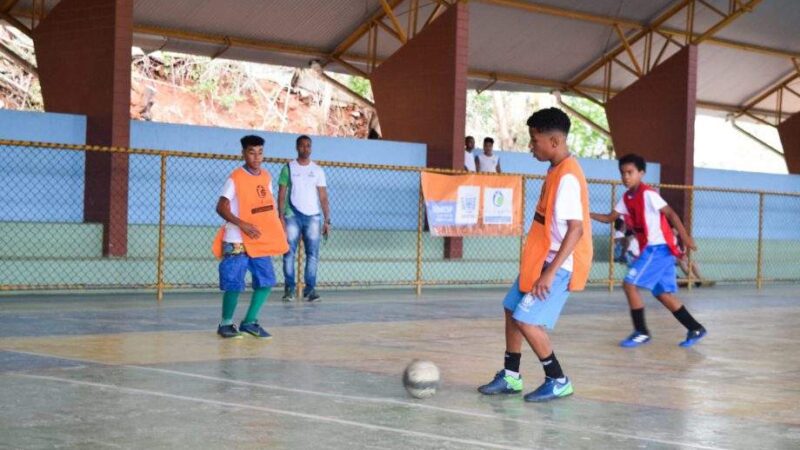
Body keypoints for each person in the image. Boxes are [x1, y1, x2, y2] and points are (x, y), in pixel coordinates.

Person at [478, 108, 593, 402]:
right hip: (540, 258)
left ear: (554, 141)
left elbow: (576, 230)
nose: (530, 146)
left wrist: (551, 272)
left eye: (534, 140)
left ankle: (558, 379)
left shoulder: (567, 176)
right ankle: (511, 376)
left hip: (558, 263)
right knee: (511, 307)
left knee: (526, 319)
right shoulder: (555, 170)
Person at [590, 154, 707, 348]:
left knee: (629, 284)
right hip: (653, 250)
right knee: (663, 294)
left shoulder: (648, 194)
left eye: (630, 172)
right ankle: (695, 327)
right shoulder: (627, 198)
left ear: (641, 173)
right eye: (623, 173)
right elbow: (610, 217)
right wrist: (587, 214)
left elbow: (670, 213)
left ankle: (641, 331)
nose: (626, 177)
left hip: (658, 249)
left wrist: (685, 237)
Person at [211, 135, 288, 339]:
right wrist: (242, 223)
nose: (256, 157)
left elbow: (268, 208)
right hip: (237, 238)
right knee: (234, 282)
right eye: (251, 152)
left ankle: (249, 322)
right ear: (243, 153)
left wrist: (278, 230)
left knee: (266, 281)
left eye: (260, 152)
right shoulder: (235, 177)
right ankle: (226, 323)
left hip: (258, 239)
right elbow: (220, 207)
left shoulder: (267, 177)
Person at [278, 135, 331, 302]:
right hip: (292, 215)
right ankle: (290, 290)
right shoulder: (288, 168)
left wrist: (327, 220)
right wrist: (280, 217)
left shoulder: (317, 170)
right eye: (302, 145)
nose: (305, 148)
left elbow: (323, 196)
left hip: (313, 217)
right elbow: (281, 195)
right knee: (288, 254)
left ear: (311, 148)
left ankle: (310, 290)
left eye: (308, 146)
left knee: (313, 254)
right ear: (297, 147)